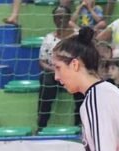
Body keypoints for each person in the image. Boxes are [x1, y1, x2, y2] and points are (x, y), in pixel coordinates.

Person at [36, 5, 81, 133]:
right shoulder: (49, 38)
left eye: (63, 17)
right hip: (54, 72)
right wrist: (55, 70)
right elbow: (42, 61)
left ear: (69, 18)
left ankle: (80, 125)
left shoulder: (77, 36)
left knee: (81, 85)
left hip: (74, 71)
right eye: (57, 17)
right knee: (46, 84)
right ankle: (41, 125)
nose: (60, 19)